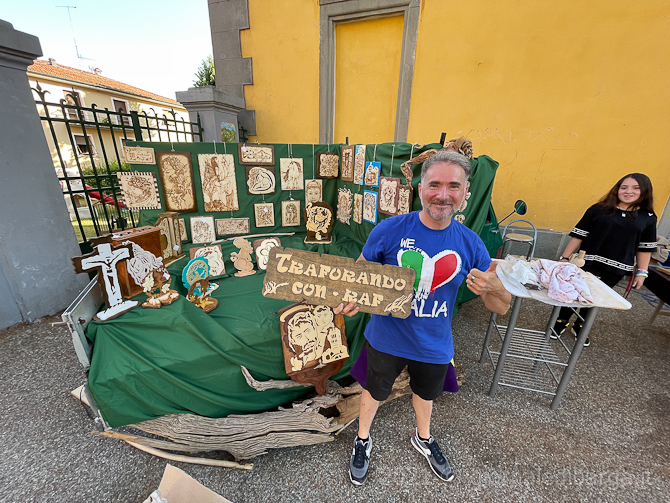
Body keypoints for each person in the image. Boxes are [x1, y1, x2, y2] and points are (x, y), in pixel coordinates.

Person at [335, 150, 511, 485]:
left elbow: (500, 307)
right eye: (434, 185)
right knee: (373, 390)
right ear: (420, 189)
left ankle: (424, 437)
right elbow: (358, 274)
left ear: (465, 192)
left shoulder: (471, 244)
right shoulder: (390, 230)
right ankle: (362, 438)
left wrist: (496, 288)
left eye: (453, 186)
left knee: (426, 394)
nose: (443, 195)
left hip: (434, 343)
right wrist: (351, 297)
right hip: (386, 336)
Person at [552, 173, 657, 347]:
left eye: (635, 188)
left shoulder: (648, 218)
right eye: (624, 187)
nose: (628, 191)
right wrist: (564, 258)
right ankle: (560, 321)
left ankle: (581, 327)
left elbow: (644, 248)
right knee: (573, 292)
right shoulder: (599, 209)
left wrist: (642, 273)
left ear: (644, 191)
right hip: (587, 261)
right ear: (617, 189)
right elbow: (579, 235)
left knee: (595, 298)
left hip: (617, 267)